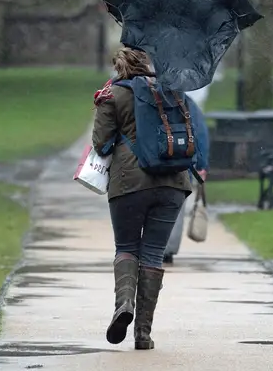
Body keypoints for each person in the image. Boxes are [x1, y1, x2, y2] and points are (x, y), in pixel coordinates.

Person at [92, 47, 192, 350]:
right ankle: (143, 334)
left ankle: (124, 305)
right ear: (148, 63)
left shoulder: (113, 94)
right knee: (152, 254)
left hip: (129, 182)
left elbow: (101, 145)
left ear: (119, 65)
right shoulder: (173, 90)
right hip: (173, 182)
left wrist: (100, 108)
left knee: (126, 247)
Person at [163, 98, 210, 264]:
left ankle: (148, 247)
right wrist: (202, 165)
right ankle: (168, 249)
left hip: (152, 166)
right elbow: (201, 135)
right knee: (176, 209)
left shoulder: (144, 100)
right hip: (181, 168)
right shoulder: (188, 105)